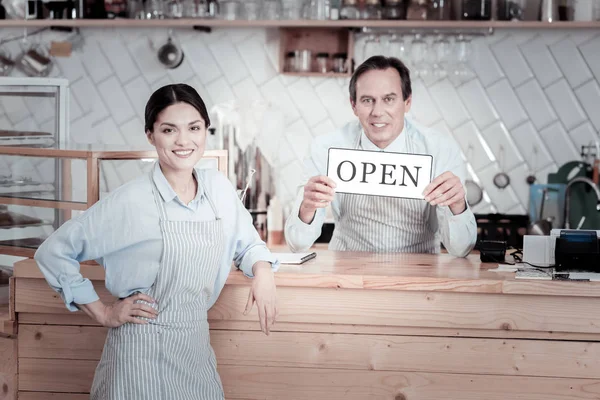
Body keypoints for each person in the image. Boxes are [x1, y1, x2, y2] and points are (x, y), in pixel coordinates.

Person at [34, 83, 279, 400]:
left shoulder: (218, 189)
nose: (183, 140)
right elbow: (53, 252)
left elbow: (248, 245)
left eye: (194, 128)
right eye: (169, 130)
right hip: (139, 355)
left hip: (194, 349)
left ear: (206, 130)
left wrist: (263, 271)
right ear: (150, 135)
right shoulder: (131, 200)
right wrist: (104, 313)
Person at [285, 56, 477, 257]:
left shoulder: (440, 149)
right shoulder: (326, 148)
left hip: (420, 277)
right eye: (367, 100)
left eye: (389, 99)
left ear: (407, 102)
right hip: (345, 276)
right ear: (354, 105)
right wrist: (307, 207)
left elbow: (461, 248)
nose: (377, 112)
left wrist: (458, 205)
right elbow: (297, 244)